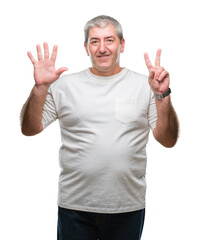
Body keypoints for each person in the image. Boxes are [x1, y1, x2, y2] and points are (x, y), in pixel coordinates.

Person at [21, 15, 179, 240]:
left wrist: (162, 95)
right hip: (74, 205)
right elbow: (29, 128)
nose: (102, 48)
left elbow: (168, 140)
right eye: (94, 41)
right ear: (86, 48)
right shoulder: (64, 85)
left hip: (127, 206)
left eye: (109, 40)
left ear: (122, 45)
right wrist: (39, 88)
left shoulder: (146, 85)